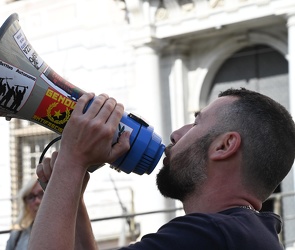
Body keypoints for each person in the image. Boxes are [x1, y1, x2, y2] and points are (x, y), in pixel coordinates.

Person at [28, 88, 295, 250]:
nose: (176, 134)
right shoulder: (247, 233)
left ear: (224, 145)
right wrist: (70, 192)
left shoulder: (209, 236)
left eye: (196, 123)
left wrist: (71, 161)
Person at [6, 176, 44, 250]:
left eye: (41, 194)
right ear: (25, 204)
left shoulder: (64, 233)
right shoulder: (17, 236)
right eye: (31, 197)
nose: (37, 201)